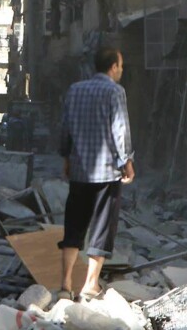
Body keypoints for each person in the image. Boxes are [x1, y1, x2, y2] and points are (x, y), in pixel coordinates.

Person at [58, 46, 135, 302]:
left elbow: (65, 126)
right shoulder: (115, 91)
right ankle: (90, 285)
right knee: (101, 229)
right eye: (121, 66)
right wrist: (127, 162)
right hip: (107, 173)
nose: (121, 70)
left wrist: (66, 157)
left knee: (73, 227)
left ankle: (65, 285)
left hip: (79, 170)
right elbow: (120, 130)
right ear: (112, 66)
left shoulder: (75, 90)